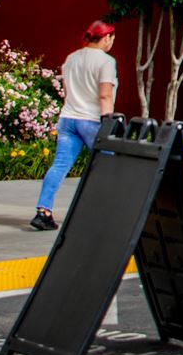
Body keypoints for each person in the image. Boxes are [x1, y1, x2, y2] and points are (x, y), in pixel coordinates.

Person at [31, 22, 118, 232]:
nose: (112, 43)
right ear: (106, 38)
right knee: (106, 166)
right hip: (92, 120)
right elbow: (105, 94)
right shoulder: (106, 62)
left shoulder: (72, 58)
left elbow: (68, 91)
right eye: (112, 39)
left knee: (60, 165)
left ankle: (43, 212)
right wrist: (109, 122)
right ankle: (104, 213)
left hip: (68, 118)